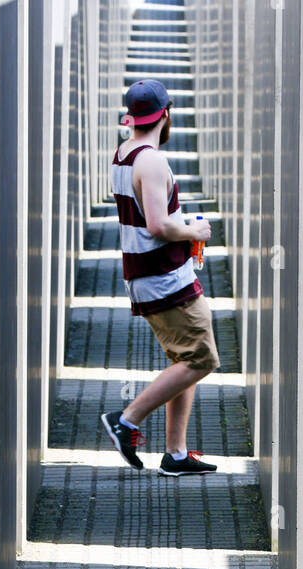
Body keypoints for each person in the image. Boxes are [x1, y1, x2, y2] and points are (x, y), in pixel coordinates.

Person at [101, 79, 219, 477]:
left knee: (182, 360)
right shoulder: (150, 161)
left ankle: (176, 453)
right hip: (164, 278)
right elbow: (157, 225)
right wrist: (194, 231)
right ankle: (127, 420)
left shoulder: (123, 153)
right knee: (201, 358)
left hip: (151, 274)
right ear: (166, 115)